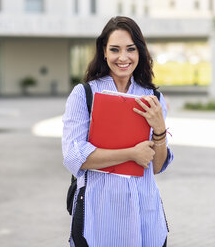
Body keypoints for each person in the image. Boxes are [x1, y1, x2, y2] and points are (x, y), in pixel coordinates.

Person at [62, 16, 174, 247]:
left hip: (145, 212)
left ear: (140, 52)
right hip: (100, 213)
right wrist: (131, 153)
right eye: (115, 49)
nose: (123, 57)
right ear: (104, 52)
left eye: (130, 49)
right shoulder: (84, 95)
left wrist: (160, 129)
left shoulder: (153, 97)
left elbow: (156, 166)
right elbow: (74, 157)